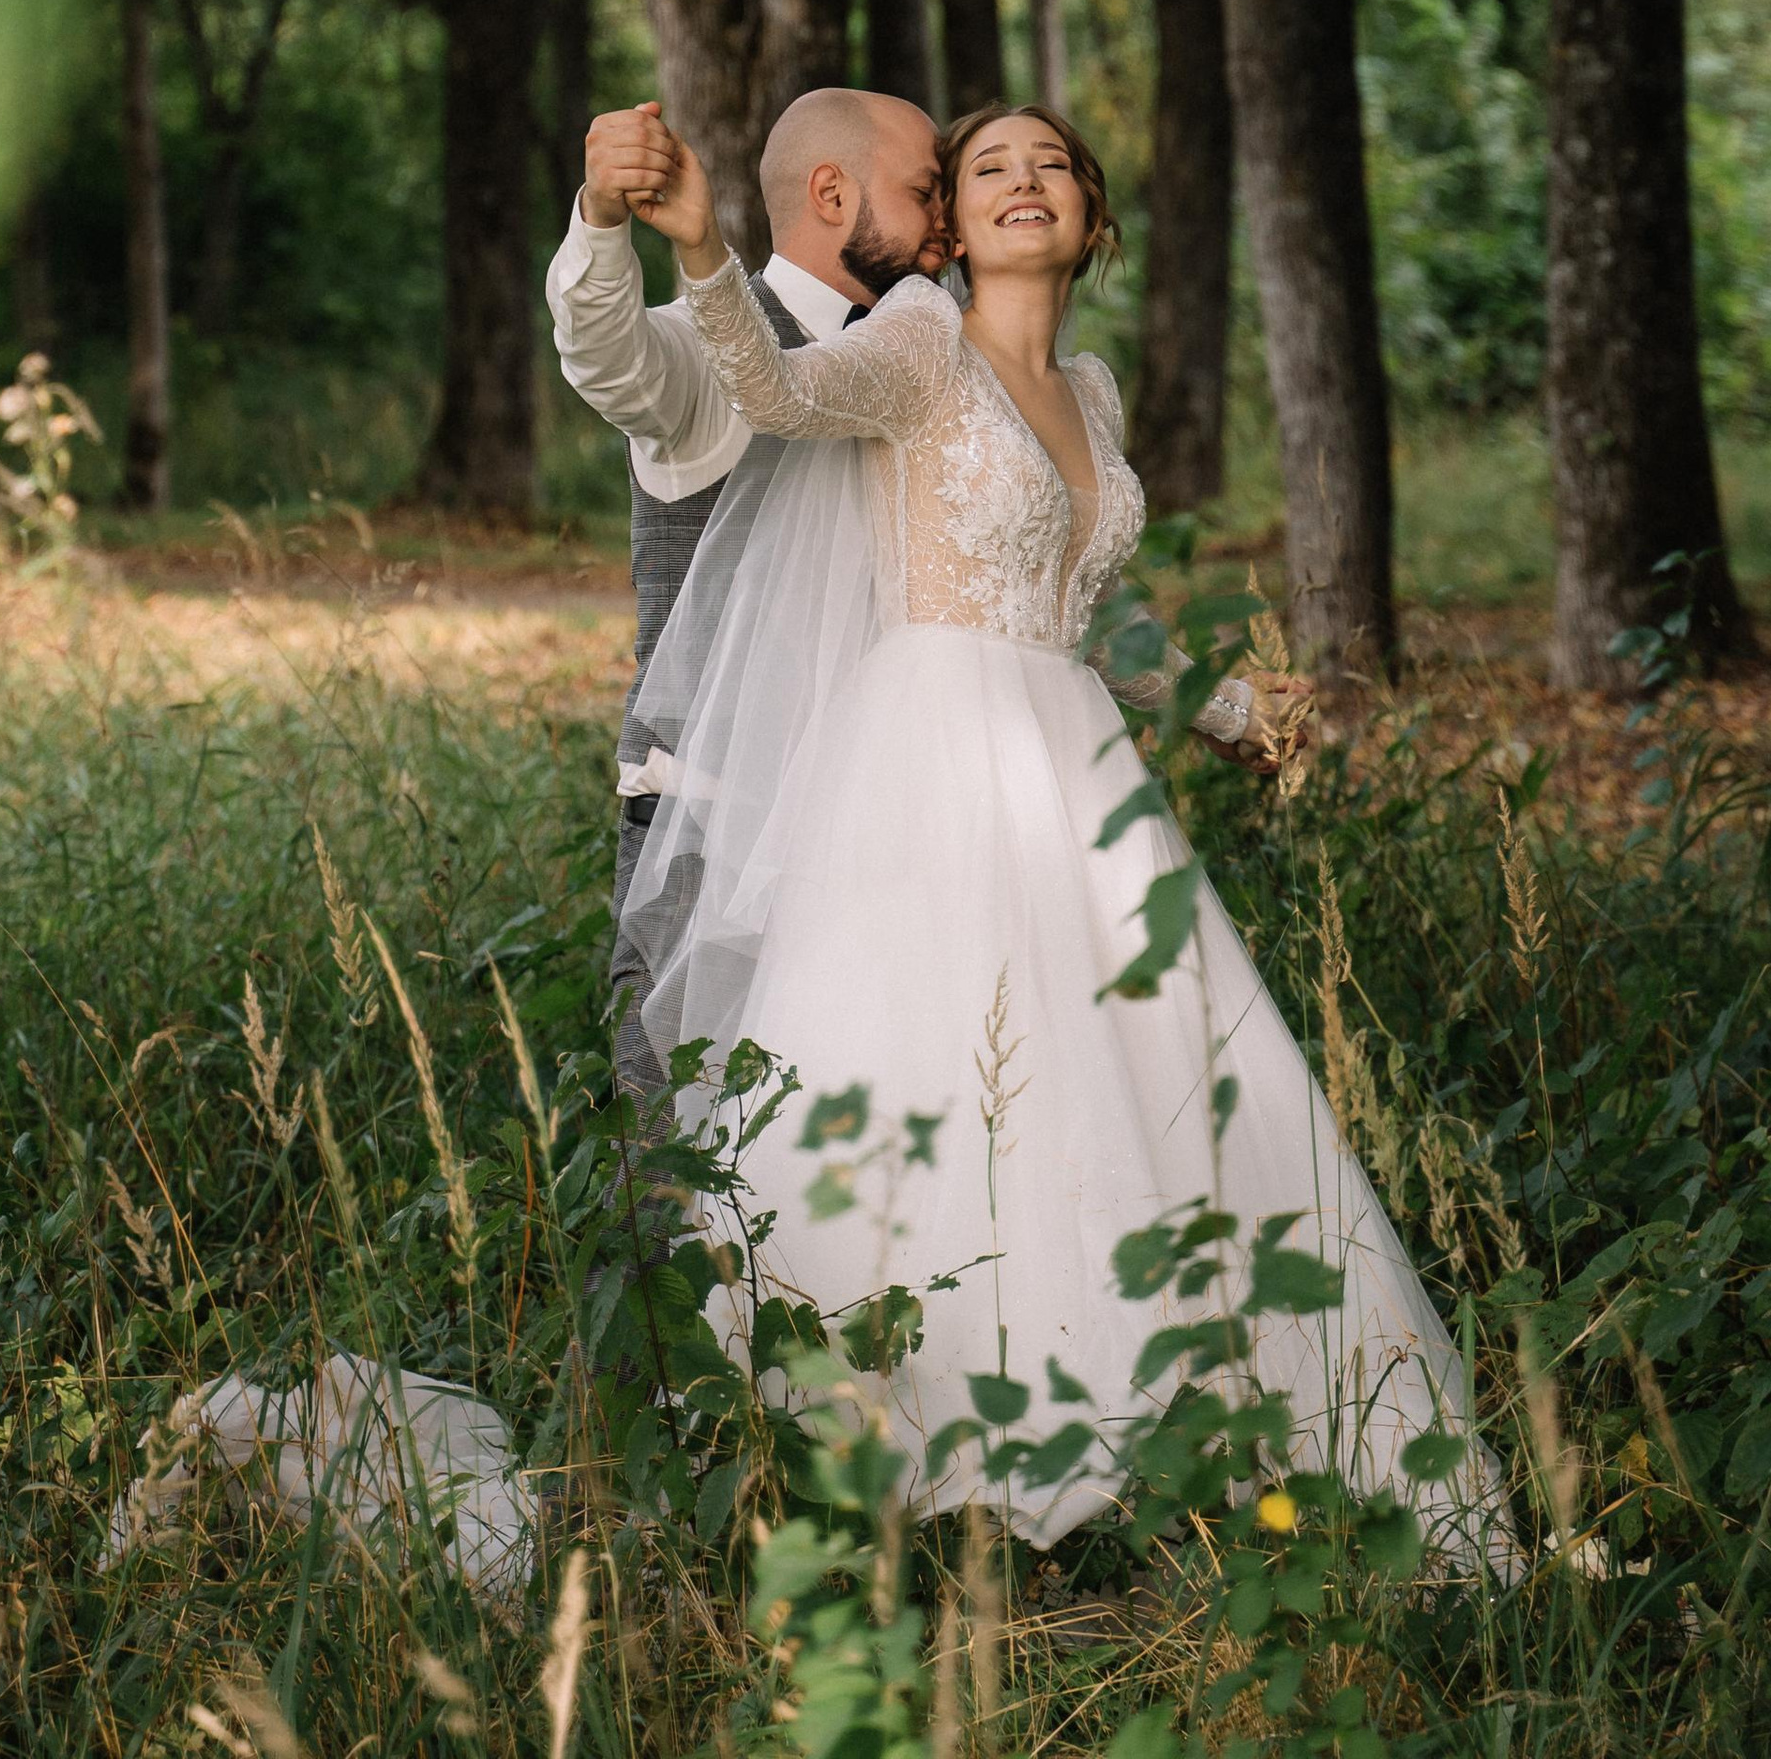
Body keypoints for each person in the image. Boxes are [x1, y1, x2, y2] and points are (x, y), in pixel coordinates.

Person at [616, 97, 1516, 1563]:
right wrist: (704, 247)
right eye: (987, 169)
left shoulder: (1091, 395)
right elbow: (773, 402)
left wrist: (1226, 704)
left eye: (1055, 167)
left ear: (1094, 223)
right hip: (930, 764)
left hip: (1076, 768)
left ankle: (1160, 1464)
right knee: (948, 1098)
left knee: (1132, 1098)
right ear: (953, 226)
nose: (1024, 182)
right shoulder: (917, 348)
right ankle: (915, 1484)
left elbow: (1078, 611)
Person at [545, 84, 944, 1085]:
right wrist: (600, 216)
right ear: (831, 193)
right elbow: (607, 356)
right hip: (705, 835)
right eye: (924, 191)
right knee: (674, 1157)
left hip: (888, 839)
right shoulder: (699, 349)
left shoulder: (942, 366)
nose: (949, 222)